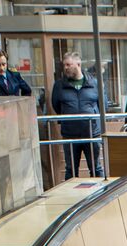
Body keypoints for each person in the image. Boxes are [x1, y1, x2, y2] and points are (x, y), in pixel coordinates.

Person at [50, 52, 103, 180]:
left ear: (78, 64)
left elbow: (102, 105)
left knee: (96, 168)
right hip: (70, 134)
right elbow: (56, 105)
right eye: (64, 65)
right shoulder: (59, 85)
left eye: (69, 64)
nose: (66, 68)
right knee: (71, 170)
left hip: (91, 133)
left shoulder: (94, 83)